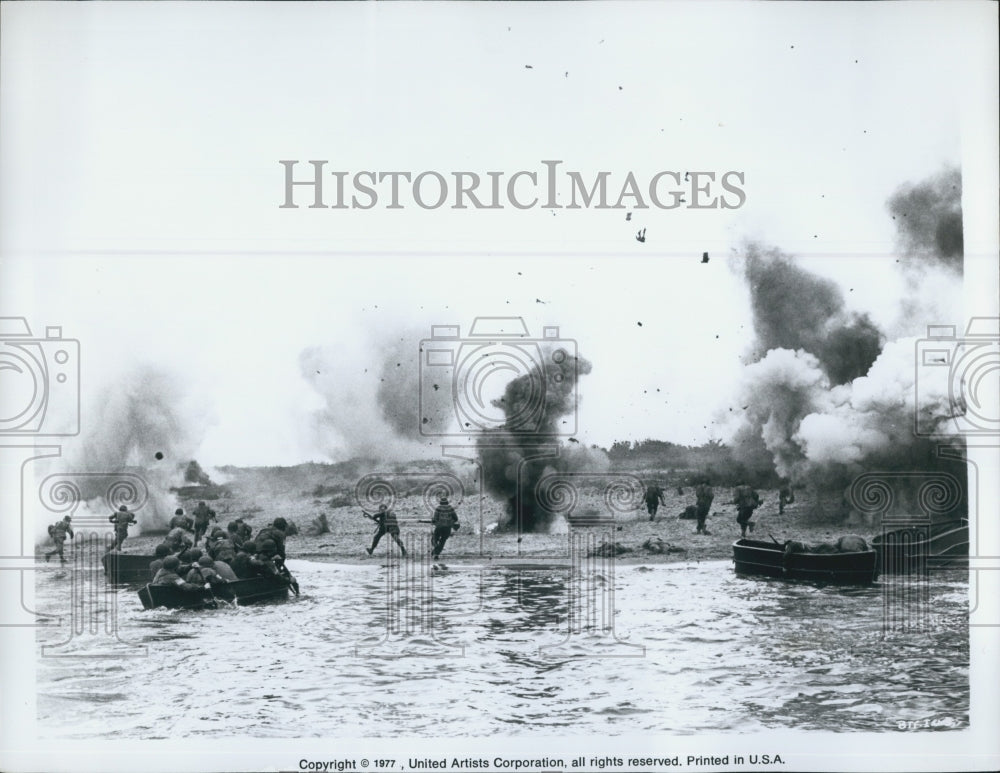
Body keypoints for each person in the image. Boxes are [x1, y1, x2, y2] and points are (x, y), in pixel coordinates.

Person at [431, 495, 459, 560]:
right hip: (447, 528)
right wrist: (450, 522)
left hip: (439, 527)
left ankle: (435, 547)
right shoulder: (450, 508)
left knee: (434, 538)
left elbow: (435, 519)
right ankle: (436, 553)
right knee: (443, 541)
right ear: (447, 502)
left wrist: (433, 521)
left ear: (440, 502)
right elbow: (456, 518)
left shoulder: (438, 508)